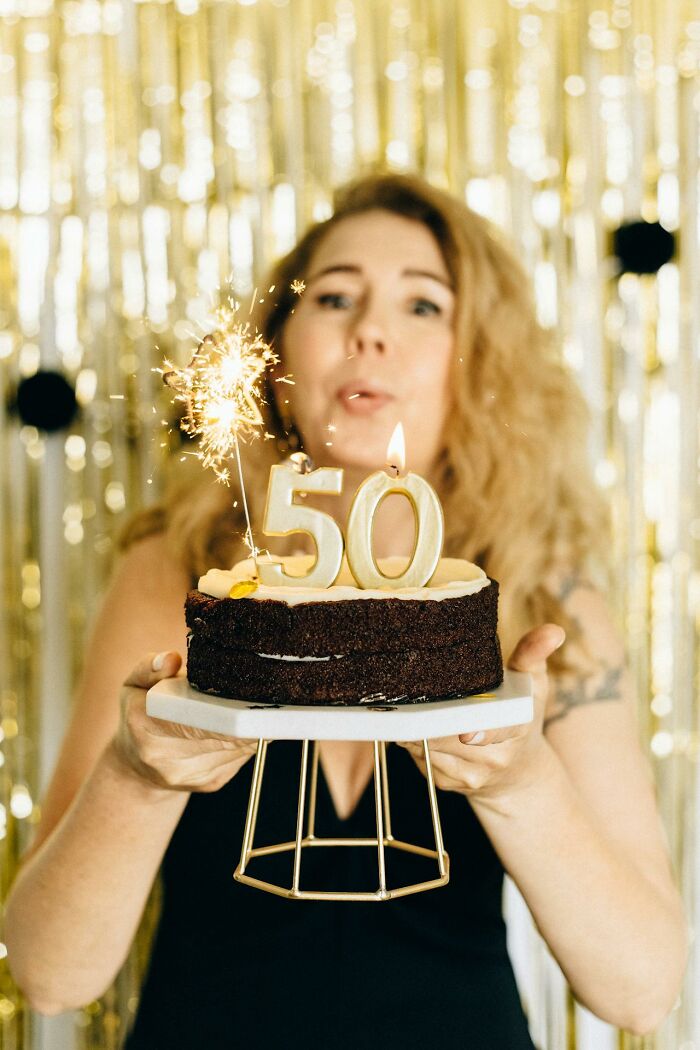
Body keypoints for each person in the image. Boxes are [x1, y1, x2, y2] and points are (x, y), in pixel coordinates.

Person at [5, 173, 687, 1049]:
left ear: (482, 364)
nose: (370, 330)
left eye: (423, 305)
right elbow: (52, 974)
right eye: (333, 296)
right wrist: (136, 777)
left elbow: (640, 989)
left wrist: (522, 782)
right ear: (278, 355)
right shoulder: (184, 573)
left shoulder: (543, 592)